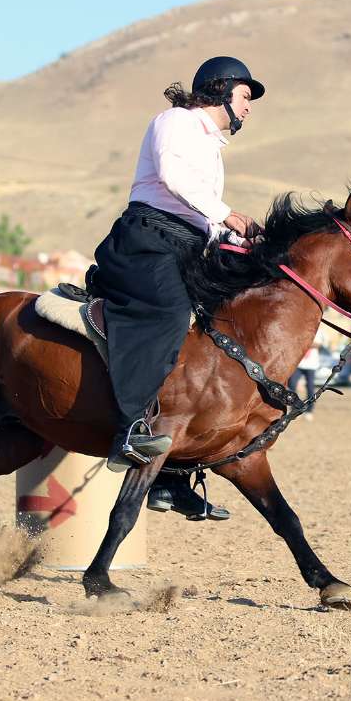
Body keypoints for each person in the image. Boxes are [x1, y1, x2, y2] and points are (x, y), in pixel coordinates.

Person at [88, 55, 265, 518]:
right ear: (222, 90)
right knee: (168, 314)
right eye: (246, 96)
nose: (249, 107)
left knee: (212, 337)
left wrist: (240, 236)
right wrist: (225, 213)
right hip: (146, 238)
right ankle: (128, 431)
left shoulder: (213, 145)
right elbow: (172, 175)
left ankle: (169, 479)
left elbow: (201, 218)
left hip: (184, 246)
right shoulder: (176, 122)